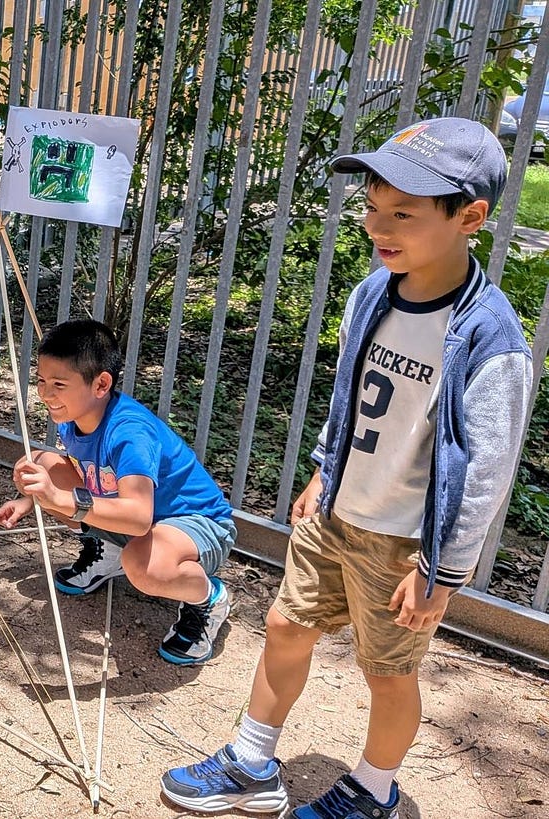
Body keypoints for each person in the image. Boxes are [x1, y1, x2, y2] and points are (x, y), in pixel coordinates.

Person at [161, 118, 533, 818]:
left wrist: (443, 571)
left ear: (470, 217)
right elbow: (351, 395)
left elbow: (486, 471)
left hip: (403, 544)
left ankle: (373, 789)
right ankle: (251, 761)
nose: (376, 226)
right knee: (285, 626)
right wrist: (322, 471)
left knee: (387, 671)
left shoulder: (489, 337)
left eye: (403, 214)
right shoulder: (373, 293)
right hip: (336, 513)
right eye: (371, 206)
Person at [0, 319, 236, 666]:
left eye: (59, 384)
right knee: (40, 463)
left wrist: (59, 499)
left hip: (196, 522)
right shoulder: (75, 417)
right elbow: (82, 470)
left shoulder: (129, 433)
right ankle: (107, 551)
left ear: (101, 384)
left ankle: (208, 599)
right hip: (141, 521)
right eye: (41, 380)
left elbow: (138, 518)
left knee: (143, 566)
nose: (45, 394)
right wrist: (29, 499)